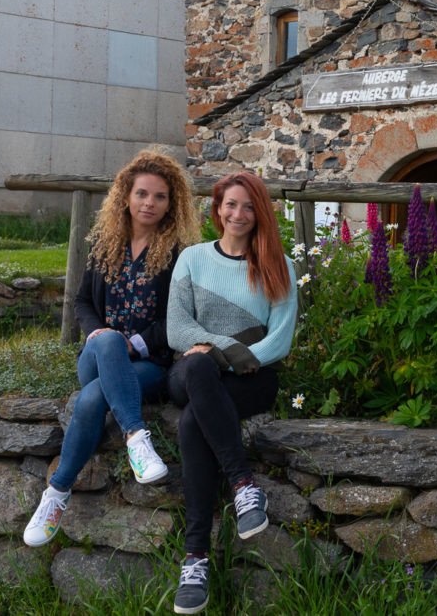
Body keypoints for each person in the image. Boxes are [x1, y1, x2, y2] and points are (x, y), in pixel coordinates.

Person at [23, 150, 199, 547]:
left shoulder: (179, 254)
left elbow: (177, 317)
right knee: (104, 344)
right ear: (125, 196)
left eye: (160, 196)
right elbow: (82, 302)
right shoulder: (105, 244)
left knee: (93, 397)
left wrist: (133, 343)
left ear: (173, 204)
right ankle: (137, 434)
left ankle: (56, 494)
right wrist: (101, 334)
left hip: (149, 363)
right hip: (96, 355)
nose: (149, 203)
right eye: (142, 194)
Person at [166, 171, 296, 615]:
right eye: (230, 204)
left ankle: (195, 558)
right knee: (198, 365)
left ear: (259, 212)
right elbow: (178, 329)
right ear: (216, 208)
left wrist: (227, 356)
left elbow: (279, 340)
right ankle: (243, 484)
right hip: (192, 372)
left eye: (248, 206)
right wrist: (219, 352)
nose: (238, 214)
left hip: (252, 377)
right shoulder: (193, 258)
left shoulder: (277, 265)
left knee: (192, 422)